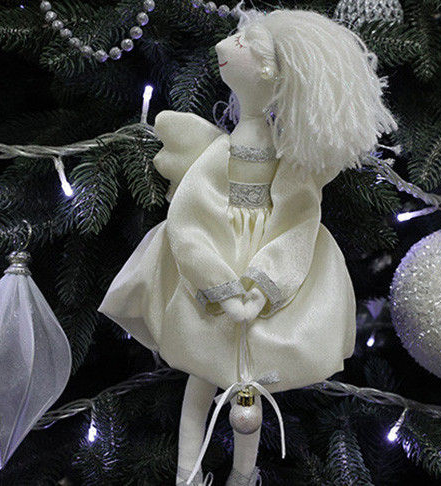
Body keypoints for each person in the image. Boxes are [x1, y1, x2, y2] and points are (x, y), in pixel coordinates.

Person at [99, 8, 396, 485]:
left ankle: (243, 474)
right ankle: (188, 473)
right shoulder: (220, 151)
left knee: (248, 388)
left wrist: (262, 287)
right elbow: (191, 214)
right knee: (202, 369)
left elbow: (297, 221)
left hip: (263, 254)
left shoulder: (290, 160)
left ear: (269, 71)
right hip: (218, 246)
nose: (224, 46)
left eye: (241, 44)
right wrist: (216, 280)